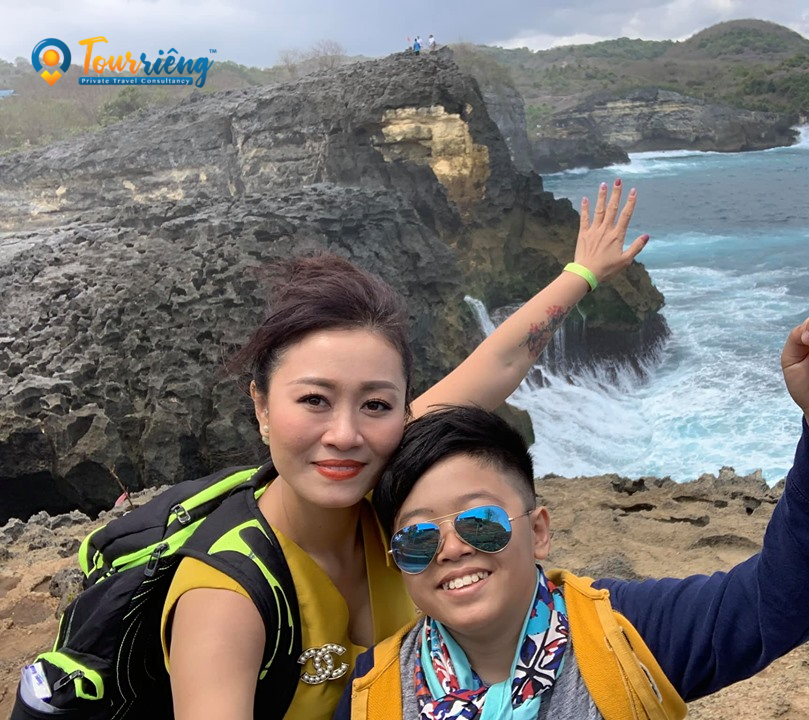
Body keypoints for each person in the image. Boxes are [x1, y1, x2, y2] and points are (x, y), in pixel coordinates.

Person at [164, 180, 649, 719]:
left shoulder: (383, 469)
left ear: (401, 409)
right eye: (314, 400)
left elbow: (501, 362)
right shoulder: (225, 597)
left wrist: (584, 272)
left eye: (375, 403)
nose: (345, 434)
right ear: (261, 406)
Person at [336, 245, 809, 719]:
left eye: (481, 522)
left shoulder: (626, 634)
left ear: (539, 530)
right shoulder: (371, 694)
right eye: (417, 539)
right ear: (398, 562)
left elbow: (788, 598)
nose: (452, 549)